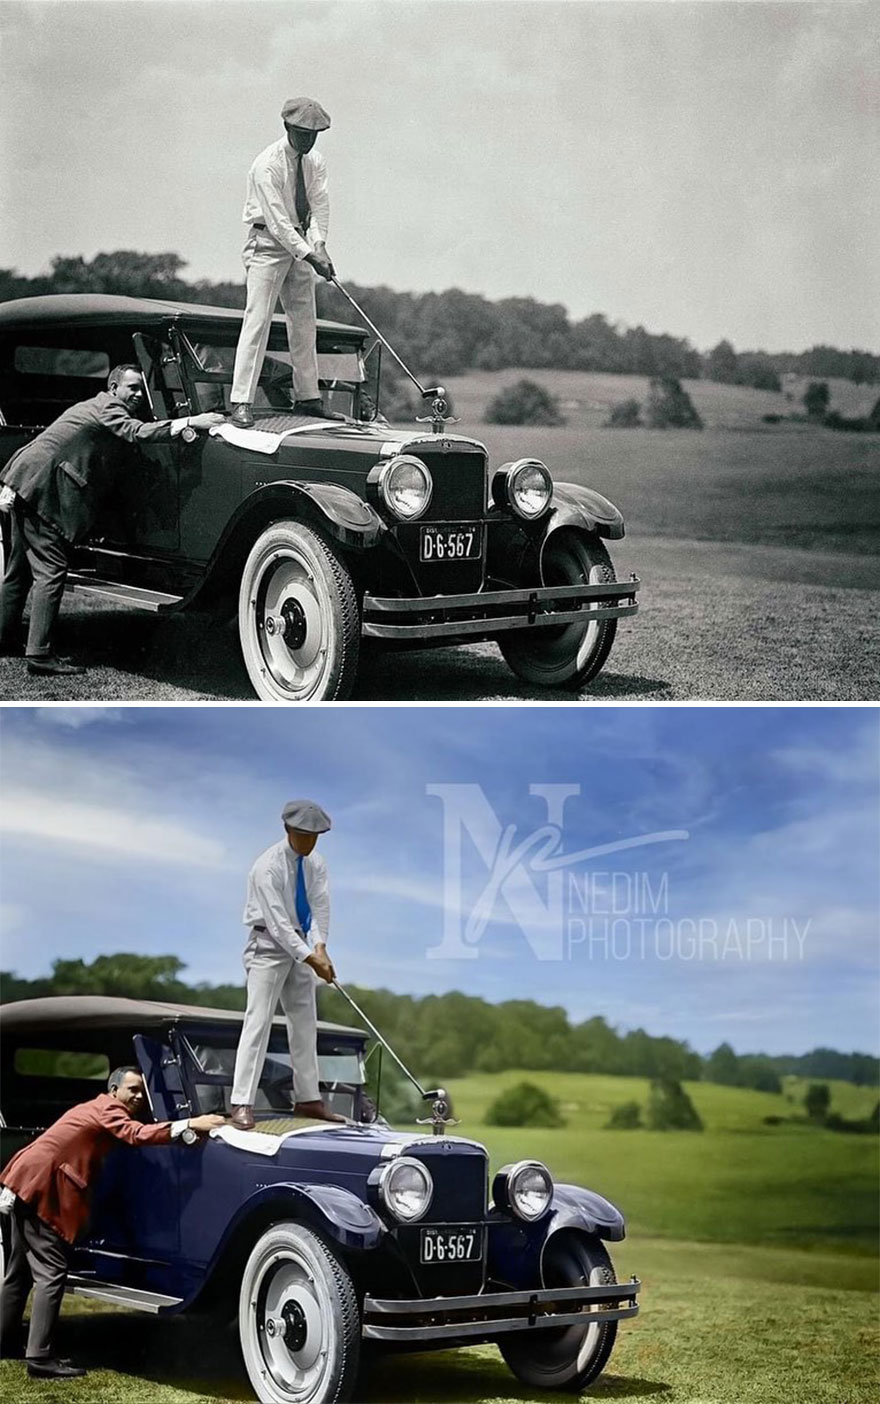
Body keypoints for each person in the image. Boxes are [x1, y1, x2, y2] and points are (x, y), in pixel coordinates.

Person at [0, 1067, 225, 1379]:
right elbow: (133, 1135)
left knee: (19, 1273)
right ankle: (40, 1357)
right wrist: (190, 1123)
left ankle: (4, 1340)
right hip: (44, 1187)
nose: (138, 1095)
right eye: (132, 1089)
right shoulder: (108, 1108)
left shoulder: (95, 1107)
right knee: (51, 1274)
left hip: (27, 1182)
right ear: (114, 1089)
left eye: (141, 1091)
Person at [0, 365, 224, 675]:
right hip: (43, 487)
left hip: (27, 481)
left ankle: (3, 638)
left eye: (140, 388)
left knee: (19, 572)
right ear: (114, 386)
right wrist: (190, 421)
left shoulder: (97, 405)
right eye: (131, 387)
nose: (137, 393)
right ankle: (39, 656)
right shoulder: (109, 406)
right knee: (50, 571)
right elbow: (135, 432)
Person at [230, 798, 345, 1130]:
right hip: (267, 945)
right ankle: (241, 1101)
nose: (309, 842)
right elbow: (278, 924)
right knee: (259, 1020)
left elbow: (319, 905)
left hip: (300, 943)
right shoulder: (267, 867)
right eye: (304, 835)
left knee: (305, 1022)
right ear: (288, 830)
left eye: (315, 836)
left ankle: (308, 1099)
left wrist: (320, 946)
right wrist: (311, 958)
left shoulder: (316, 863)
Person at [228, 97, 338, 429]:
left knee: (305, 322)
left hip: (303, 242)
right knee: (258, 320)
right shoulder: (267, 164)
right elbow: (277, 222)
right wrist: (310, 255)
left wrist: (320, 244)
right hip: (266, 244)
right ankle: (241, 401)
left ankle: (308, 398)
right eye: (304, 133)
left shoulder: (315, 161)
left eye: (316, 133)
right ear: (288, 127)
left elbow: (318, 207)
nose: (310, 139)